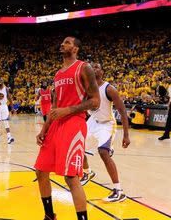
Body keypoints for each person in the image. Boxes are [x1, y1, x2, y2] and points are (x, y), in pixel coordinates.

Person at [34, 37, 100, 220]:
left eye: (68, 43)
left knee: (71, 177)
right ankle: (49, 215)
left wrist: (68, 110)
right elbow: (55, 107)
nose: (63, 45)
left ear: (76, 49)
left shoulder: (83, 67)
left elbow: (95, 101)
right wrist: (44, 130)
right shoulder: (57, 74)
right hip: (56, 125)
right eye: (62, 42)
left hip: (74, 124)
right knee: (40, 170)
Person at [80, 62, 130, 203]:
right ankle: (88, 173)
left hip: (107, 124)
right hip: (93, 121)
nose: (94, 69)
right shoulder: (87, 88)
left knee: (103, 152)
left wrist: (126, 134)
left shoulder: (109, 89)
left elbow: (122, 111)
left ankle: (118, 191)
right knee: (78, 145)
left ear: (102, 72)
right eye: (91, 68)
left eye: (97, 67)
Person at [0, 78, 15, 144]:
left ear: (3, 82)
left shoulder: (6, 89)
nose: (0, 81)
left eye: (1, 80)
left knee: (6, 121)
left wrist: (12, 108)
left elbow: (10, 98)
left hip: (4, 106)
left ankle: (9, 137)